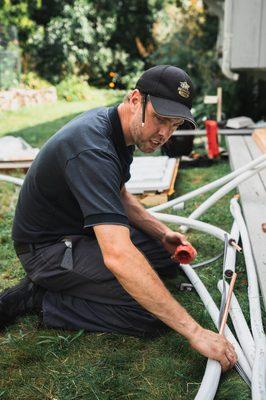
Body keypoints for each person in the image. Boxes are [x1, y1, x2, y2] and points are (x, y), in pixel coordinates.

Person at [0, 65, 237, 371]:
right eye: (160, 119)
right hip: (48, 250)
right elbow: (119, 256)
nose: (165, 134)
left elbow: (120, 196)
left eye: (175, 124)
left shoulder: (117, 129)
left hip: (79, 232)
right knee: (150, 312)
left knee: (164, 261)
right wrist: (194, 331)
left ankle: (73, 284)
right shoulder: (92, 149)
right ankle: (40, 298)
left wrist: (161, 233)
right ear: (135, 99)